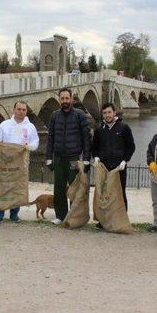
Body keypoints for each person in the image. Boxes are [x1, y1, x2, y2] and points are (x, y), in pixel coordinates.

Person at [45, 88, 91, 225]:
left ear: (71, 99)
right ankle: (61, 216)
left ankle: (74, 215)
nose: (64, 101)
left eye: (67, 98)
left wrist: (87, 159)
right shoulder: (54, 115)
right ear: (59, 100)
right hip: (58, 157)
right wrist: (49, 157)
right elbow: (51, 137)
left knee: (74, 188)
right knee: (59, 188)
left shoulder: (80, 115)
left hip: (74, 158)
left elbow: (86, 138)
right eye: (62, 98)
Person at [0, 101, 39, 225]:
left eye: (23, 110)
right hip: (4, 163)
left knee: (17, 188)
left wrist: (29, 147)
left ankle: (14, 214)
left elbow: (35, 142)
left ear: (26, 112)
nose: (21, 112)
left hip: (20, 163)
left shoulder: (30, 127)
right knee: (1, 187)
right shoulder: (4, 125)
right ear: (14, 110)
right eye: (19, 109)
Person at [92, 102, 135, 228]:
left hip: (118, 167)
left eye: (109, 112)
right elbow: (94, 147)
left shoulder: (124, 128)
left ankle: (121, 220)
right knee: (105, 195)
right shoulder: (99, 129)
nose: (107, 115)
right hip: (104, 167)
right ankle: (103, 220)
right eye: (104, 113)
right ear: (102, 115)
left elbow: (131, 146)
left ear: (114, 113)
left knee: (120, 193)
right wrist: (96, 157)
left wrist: (125, 160)